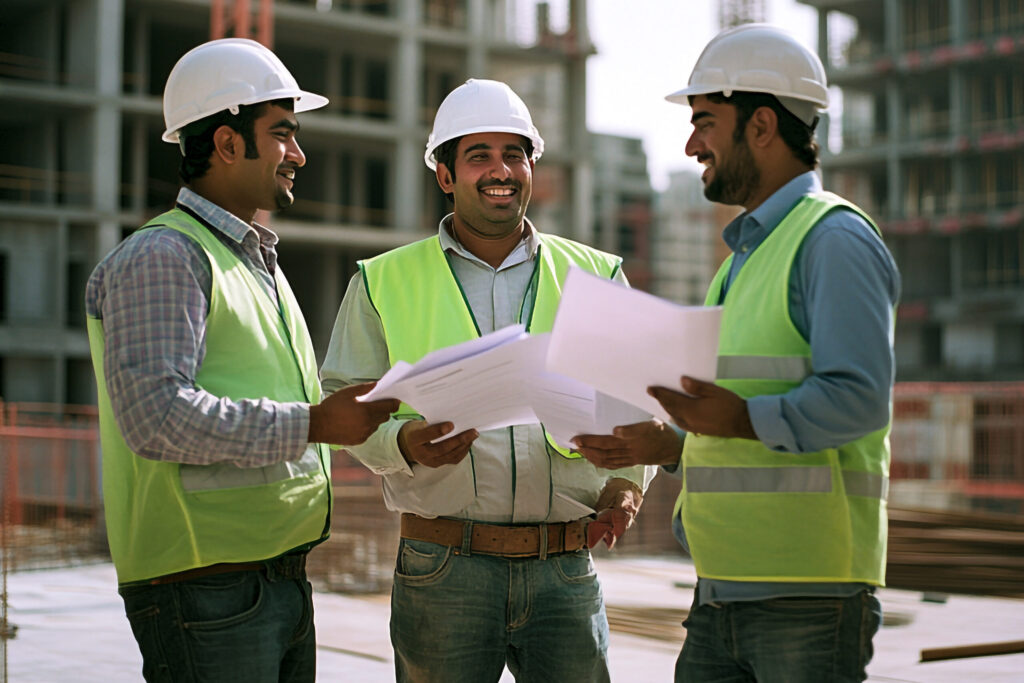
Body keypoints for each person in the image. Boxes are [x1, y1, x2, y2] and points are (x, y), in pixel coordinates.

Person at [320, 78, 675, 683]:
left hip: (565, 568)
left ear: (532, 165)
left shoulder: (594, 273)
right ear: (446, 175)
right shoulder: (383, 280)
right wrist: (400, 446)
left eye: (514, 153)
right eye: (479, 155)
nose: (500, 170)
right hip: (442, 567)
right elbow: (341, 404)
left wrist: (623, 484)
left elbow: (633, 400)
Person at [578, 24, 901, 683]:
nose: (692, 142)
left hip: (807, 594)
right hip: (722, 588)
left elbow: (860, 398)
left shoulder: (833, 240)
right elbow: (730, 416)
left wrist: (737, 419)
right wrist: (667, 443)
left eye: (705, 121)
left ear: (760, 126)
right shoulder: (740, 261)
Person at [85, 38, 400, 683]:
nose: (299, 154)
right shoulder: (166, 257)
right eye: (282, 133)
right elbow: (154, 416)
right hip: (205, 588)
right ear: (228, 143)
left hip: (271, 575)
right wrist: (316, 424)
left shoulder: (255, 261)